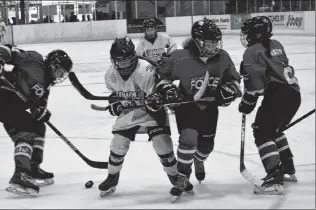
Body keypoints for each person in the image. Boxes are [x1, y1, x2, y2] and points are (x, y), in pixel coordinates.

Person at [156, 19, 242, 199]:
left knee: (207, 146)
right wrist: (168, 89)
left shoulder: (223, 57)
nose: (214, 47)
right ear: (197, 41)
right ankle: (182, 176)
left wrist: (229, 89)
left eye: (215, 42)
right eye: (209, 43)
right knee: (188, 138)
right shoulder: (180, 56)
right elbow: (162, 77)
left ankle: (199, 160)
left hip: (210, 108)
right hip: (187, 106)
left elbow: (234, 80)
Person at [98, 37, 179, 198]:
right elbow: (115, 95)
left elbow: (157, 94)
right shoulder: (111, 74)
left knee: (163, 145)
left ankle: (176, 177)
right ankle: (112, 177)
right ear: (113, 60)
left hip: (152, 113)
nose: (124, 64)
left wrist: (157, 99)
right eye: (120, 61)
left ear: (134, 57)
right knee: (117, 145)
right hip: (129, 113)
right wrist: (115, 103)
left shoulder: (146, 70)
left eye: (128, 59)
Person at [0, 44, 73, 196]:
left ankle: (33, 168)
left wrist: (41, 112)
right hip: (2, 99)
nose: (61, 75)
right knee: (25, 129)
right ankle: (19, 175)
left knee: (39, 126)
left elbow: (39, 107)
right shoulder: (34, 59)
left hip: (14, 106)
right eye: (61, 71)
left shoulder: (46, 84)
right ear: (54, 65)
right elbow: (7, 49)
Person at [238, 16, 301, 195]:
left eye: (249, 34)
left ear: (256, 34)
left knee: (262, 131)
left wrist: (247, 103)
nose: (247, 38)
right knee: (274, 130)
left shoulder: (251, 51)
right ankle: (288, 168)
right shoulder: (276, 44)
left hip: (278, 95)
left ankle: (274, 175)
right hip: (294, 93)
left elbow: (256, 85)